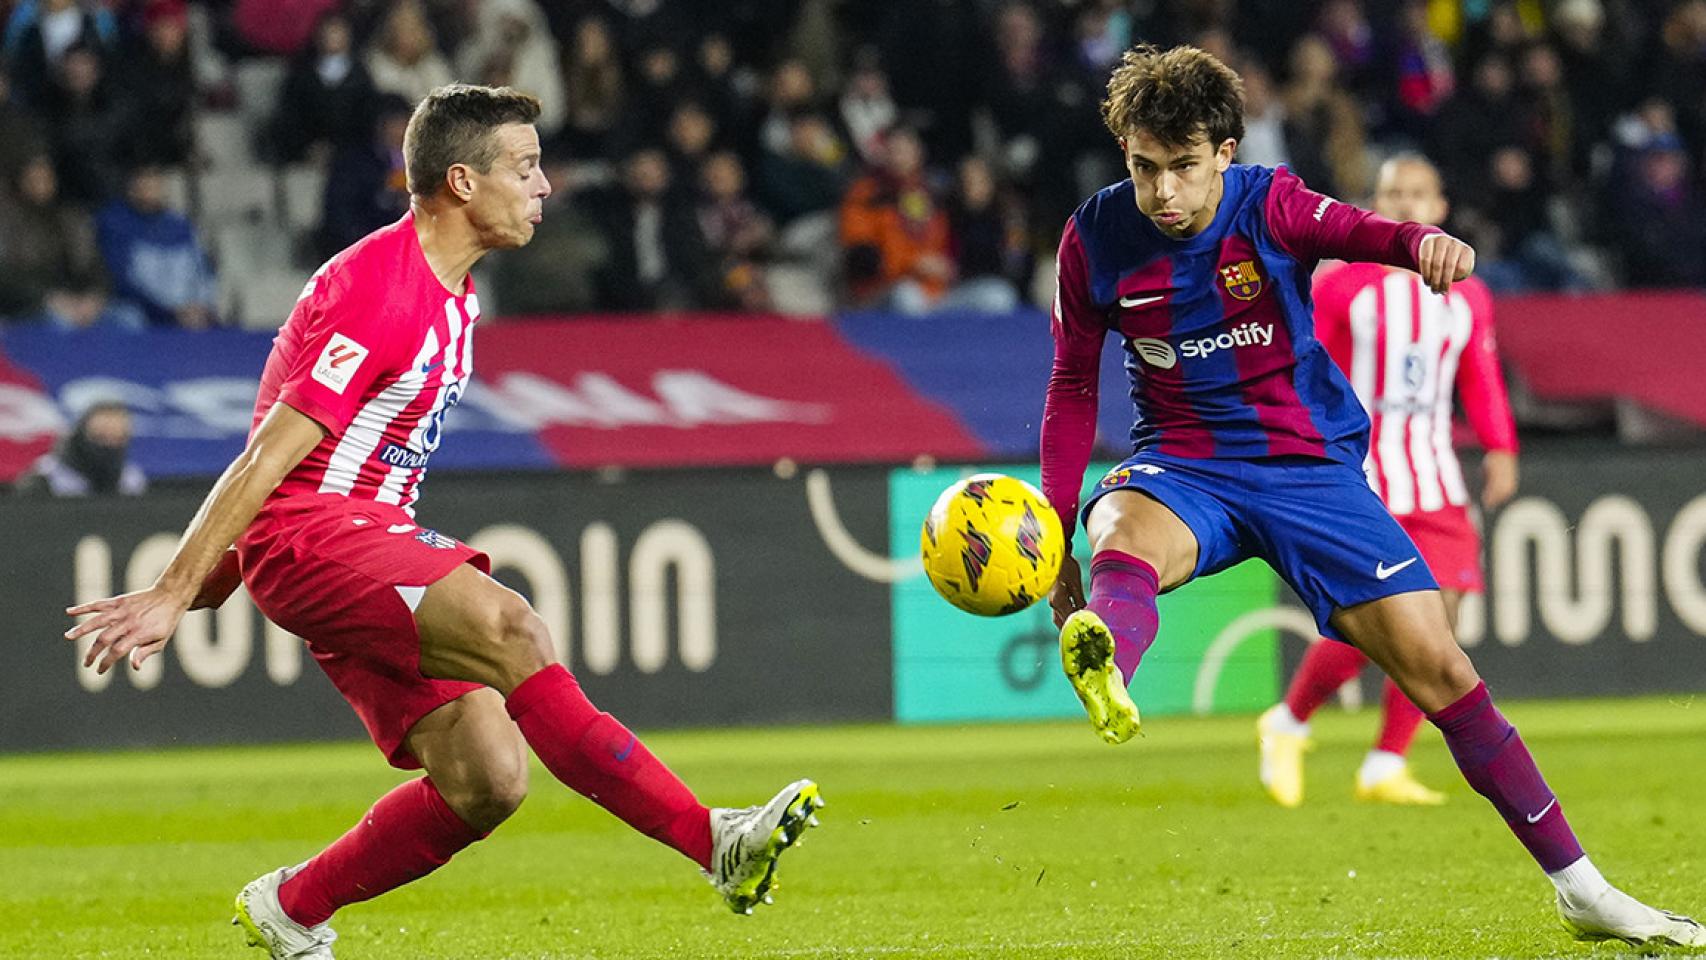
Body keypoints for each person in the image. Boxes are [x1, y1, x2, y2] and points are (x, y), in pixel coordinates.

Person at [63, 85, 821, 960]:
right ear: (462, 181)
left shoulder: (453, 296)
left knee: (490, 780)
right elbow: (268, 459)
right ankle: (712, 841)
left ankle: (292, 907)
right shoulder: (377, 293)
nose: (545, 186)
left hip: (341, 546)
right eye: (526, 167)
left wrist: (209, 587)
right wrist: (172, 587)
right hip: (319, 537)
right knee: (512, 626)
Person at [1040, 45, 1702, 947]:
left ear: (1224, 153)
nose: (1163, 193)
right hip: (1184, 462)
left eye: (1183, 167)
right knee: (1118, 523)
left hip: (1305, 467)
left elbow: (1360, 231)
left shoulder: (1267, 200)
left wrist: (1421, 241)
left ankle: (1581, 887)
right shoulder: (1094, 237)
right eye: (1144, 168)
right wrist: (1049, 528)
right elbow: (1072, 384)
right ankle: (1108, 654)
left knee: (1444, 673)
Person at [1255, 154, 1518, 808]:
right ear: (1374, 205)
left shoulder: (1469, 294)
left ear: (1440, 207)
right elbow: (1302, 366)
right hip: (1366, 477)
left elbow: (1479, 380)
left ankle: (1384, 763)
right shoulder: (1345, 287)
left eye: (1417, 193)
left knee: (1440, 625)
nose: (1404, 203)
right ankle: (1288, 720)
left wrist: (1501, 447)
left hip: (1436, 477)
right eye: (1391, 193)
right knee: (1387, 627)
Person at [15, 400, 145, 496]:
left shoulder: (131, 480)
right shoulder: (45, 478)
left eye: (119, 438)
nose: (109, 445)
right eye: (101, 437)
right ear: (81, 435)